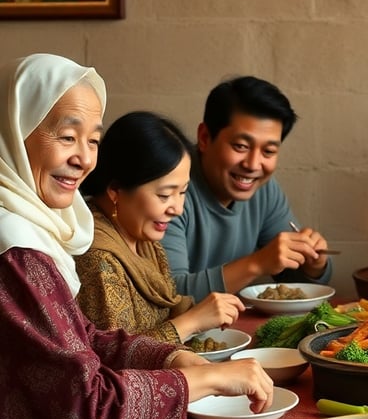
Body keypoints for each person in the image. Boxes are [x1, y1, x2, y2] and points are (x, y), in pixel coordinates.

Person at [0, 54, 273, 419]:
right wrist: (207, 377)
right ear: (16, 131)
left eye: (93, 139)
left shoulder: (37, 232)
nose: (83, 158)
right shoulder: (17, 254)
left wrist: (172, 355)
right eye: (66, 136)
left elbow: (85, 340)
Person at [75, 111, 245, 344]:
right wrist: (192, 321)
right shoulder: (97, 259)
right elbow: (113, 360)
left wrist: (205, 310)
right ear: (115, 190)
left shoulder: (144, 240)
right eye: (165, 195)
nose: (177, 209)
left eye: (183, 192)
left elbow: (169, 308)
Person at [164, 75, 333, 300]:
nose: (253, 165)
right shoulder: (168, 188)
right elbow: (170, 294)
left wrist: (315, 265)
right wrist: (257, 263)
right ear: (204, 137)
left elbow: (294, 284)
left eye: (269, 151)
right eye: (241, 146)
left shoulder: (264, 191)